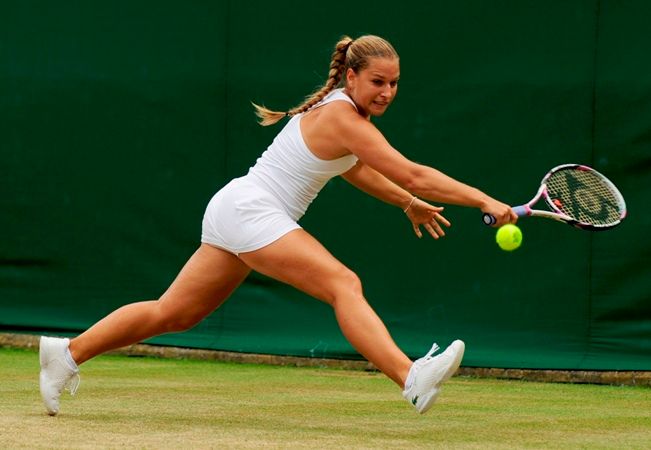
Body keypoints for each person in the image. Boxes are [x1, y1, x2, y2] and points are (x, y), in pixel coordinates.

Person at [39, 34, 516, 416]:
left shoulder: (340, 113)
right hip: (252, 210)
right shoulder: (343, 117)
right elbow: (411, 171)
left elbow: (354, 169)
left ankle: (64, 354)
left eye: (394, 83)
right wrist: (484, 199)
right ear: (351, 76)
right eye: (377, 81)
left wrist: (407, 202)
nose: (387, 92)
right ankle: (410, 377)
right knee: (342, 283)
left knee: (174, 314)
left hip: (236, 207)